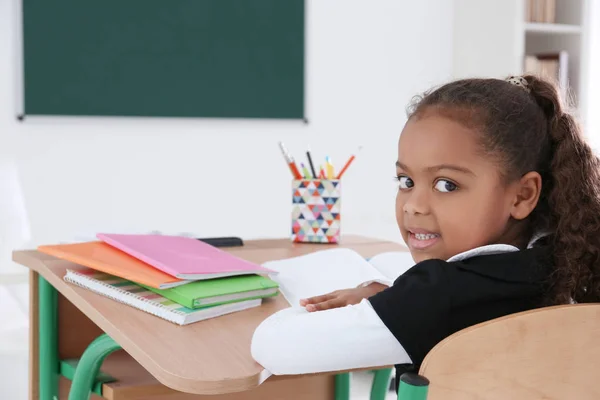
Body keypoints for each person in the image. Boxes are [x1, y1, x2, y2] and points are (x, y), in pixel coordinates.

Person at [251, 75, 600, 387]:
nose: (413, 205)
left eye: (446, 185)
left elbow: (271, 345)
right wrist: (393, 298)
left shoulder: (436, 297)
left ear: (523, 195)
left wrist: (392, 303)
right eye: (406, 181)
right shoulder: (566, 259)